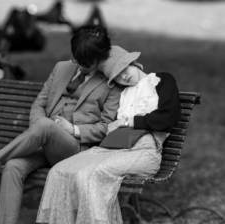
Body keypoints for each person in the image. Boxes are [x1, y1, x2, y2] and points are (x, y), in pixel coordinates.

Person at [0, 26, 123, 224]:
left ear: (98, 58)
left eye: (82, 61)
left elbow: (106, 127)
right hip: (44, 143)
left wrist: (73, 130)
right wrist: (37, 129)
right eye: (75, 57)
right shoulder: (61, 68)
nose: (75, 63)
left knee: (45, 126)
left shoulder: (112, 83)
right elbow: (39, 103)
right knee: (13, 166)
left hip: (76, 151)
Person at [36, 45, 181, 224]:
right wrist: (73, 128)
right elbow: (103, 124)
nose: (123, 77)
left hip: (144, 149)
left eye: (123, 69)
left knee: (89, 176)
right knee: (58, 171)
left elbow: (167, 119)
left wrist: (125, 122)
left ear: (132, 62)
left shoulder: (162, 81)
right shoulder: (121, 93)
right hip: (111, 148)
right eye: (117, 77)